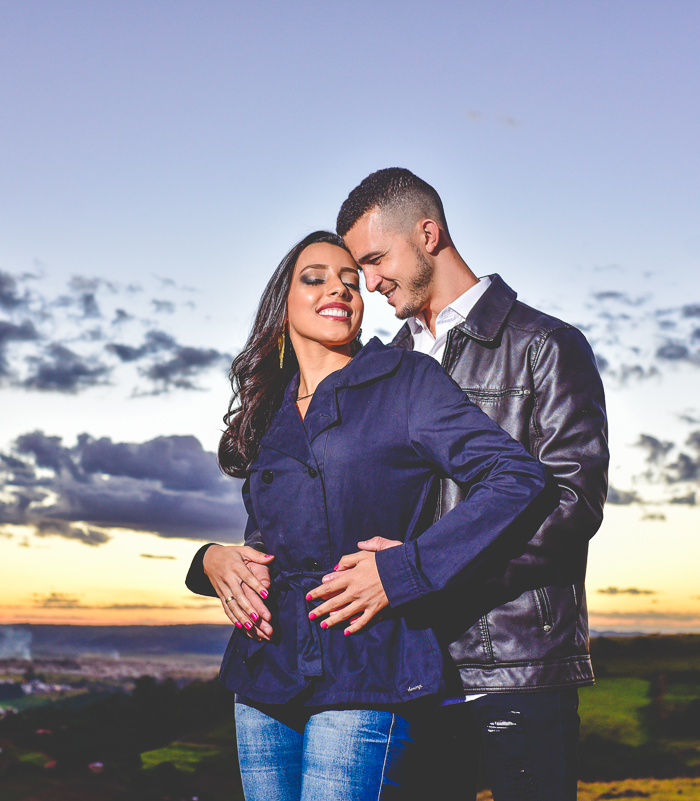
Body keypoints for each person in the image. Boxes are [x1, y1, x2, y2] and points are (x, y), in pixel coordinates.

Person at [185, 230, 545, 800]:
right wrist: (211, 560)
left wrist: (406, 570)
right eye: (317, 278)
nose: (341, 289)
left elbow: (516, 477)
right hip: (265, 667)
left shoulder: (406, 381)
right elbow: (266, 538)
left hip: (367, 660)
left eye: (352, 281)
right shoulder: (266, 408)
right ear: (283, 300)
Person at [310, 168, 611, 801]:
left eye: (375, 259)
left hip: (517, 665)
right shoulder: (385, 365)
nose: (369, 282)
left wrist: (418, 571)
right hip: (411, 664)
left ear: (428, 234)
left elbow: (572, 505)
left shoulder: (545, 346)